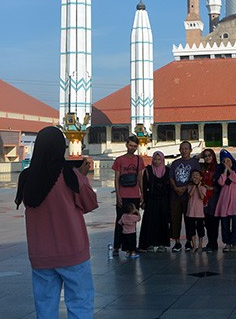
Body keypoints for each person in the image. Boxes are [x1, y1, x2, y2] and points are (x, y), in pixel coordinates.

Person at [15, 126, 98, 319]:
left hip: (41, 255)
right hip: (72, 252)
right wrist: (83, 177)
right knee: (80, 302)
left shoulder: (27, 177)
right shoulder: (69, 175)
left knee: (45, 305)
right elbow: (89, 203)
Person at [112, 135, 145, 255]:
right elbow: (116, 179)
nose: (132, 148)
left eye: (135, 146)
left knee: (132, 221)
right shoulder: (119, 160)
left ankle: (130, 247)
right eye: (130, 145)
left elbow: (140, 178)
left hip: (134, 194)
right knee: (120, 221)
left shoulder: (139, 160)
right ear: (126, 144)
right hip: (123, 194)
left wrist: (142, 195)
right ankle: (116, 246)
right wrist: (118, 196)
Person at [169, 141, 200, 251]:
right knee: (175, 219)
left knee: (189, 219)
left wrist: (186, 187)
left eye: (186, 148)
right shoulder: (175, 163)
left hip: (189, 195)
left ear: (190, 150)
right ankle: (176, 241)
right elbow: (171, 177)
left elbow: (197, 177)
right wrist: (176, 188)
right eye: (182, 148)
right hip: (175, 195)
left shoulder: (195, 163)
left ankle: (189, 241)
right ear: (179, 150)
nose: (184, 151)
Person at [139, 151, 171, 252]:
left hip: (163, 200)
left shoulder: (167, 170)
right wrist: (143, 200)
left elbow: (169, 187)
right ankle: (149, 244)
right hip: (151, 200)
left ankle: (162, 244)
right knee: (150, 222)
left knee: (162, 221)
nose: (157, 162)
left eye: (159, 159)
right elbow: (144, 186)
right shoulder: (148, 170)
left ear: (162, 160)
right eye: (155, 159)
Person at [215, 149, 236, 252]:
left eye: (228, 160)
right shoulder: (220, 171)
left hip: (235, 201)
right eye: (224, 161)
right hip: (224, 200)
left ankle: (235, 243)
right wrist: (225, 170)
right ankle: (227, 243)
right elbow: (221, 182)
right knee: (225, 224)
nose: (226, 163)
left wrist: (230, 170)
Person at [200, 148, 220, 252]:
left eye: (209, 155)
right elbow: (194, 161)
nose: (207, 158)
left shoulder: (217, 167)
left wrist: (213, 188)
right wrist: (200, 155)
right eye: (205, 156)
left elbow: (222, 182)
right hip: (204, 197)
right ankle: (210, 243)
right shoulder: (202, 167)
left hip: (214, 198)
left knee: (213, 222)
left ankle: (213, 243)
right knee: (207, 222)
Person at [185, 170, 206, 252]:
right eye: (193, 175)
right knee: (191, 230)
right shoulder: (189, 187)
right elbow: (190, 195)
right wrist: (194, 186)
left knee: (200, 230)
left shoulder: (203, 188)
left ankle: (200, 246)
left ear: (201, 177)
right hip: (191, 212)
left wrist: (199, 186)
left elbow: (202, 197)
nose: (195, 177)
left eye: (197, 175)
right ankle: (194, 245)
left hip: (200, 213)